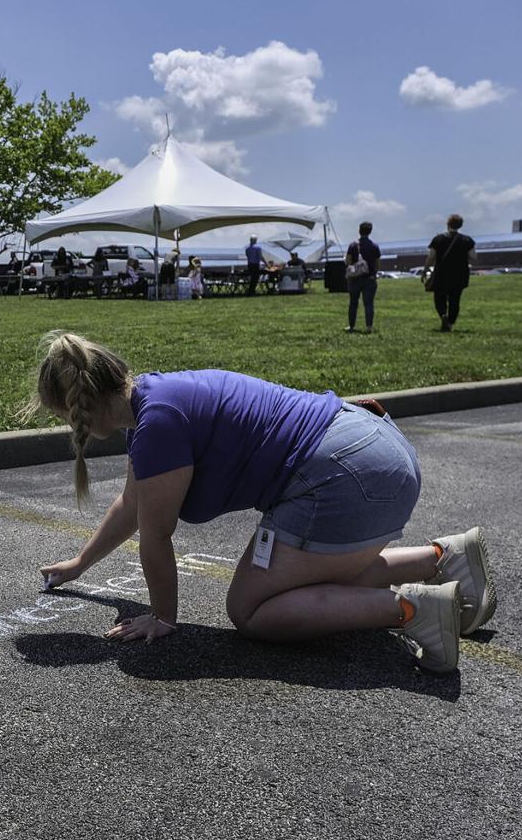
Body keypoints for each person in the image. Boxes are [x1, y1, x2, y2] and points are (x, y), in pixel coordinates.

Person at [28, 331, 495, 673]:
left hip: (344, 476)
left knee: (252, 610)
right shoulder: (155, 400)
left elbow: (155, 536)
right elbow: (133, 503)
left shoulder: (156, 427)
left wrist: (163, 616)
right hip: (374, 448)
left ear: (78, 407)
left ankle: (413, 610)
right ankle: (443, 558)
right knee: (306, 576)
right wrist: (80, 564)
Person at [423, 214, 478, 332]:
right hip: (459, 275)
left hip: (441, 274)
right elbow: (474, 257)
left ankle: (443, 315)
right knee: (455, 300)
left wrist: (426, 269)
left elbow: (431, 257)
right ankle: (451, 323)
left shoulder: (438, 239)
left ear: (448, 224)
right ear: (460, 225)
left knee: (439, 297)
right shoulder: (467, 240)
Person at [345, 221, 381, 334]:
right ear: (370, 231)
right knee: (369, 304)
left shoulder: (353, 245)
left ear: (359, 230)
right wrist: (374, 274)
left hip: (354, 279)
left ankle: (351, 326)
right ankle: (369, 326)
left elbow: (348, 261)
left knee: (353, 303)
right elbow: (377, 264)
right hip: (369, 279)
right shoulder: (375, 246)